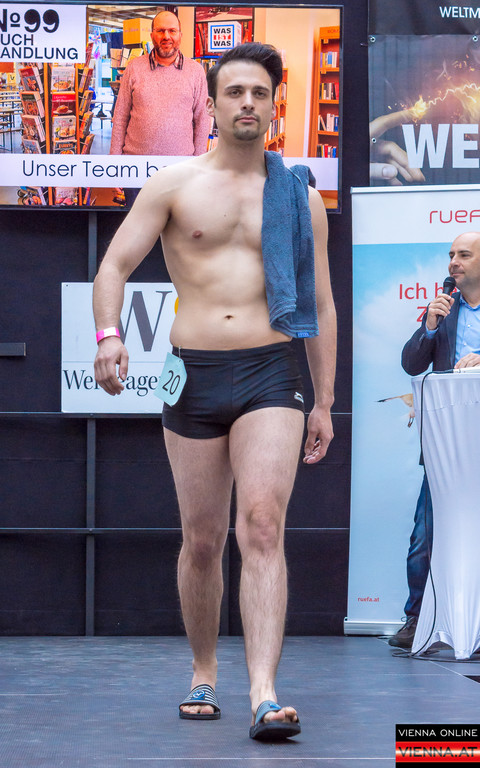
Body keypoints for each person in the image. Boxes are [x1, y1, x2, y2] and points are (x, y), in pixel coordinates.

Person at [93, 41, 336, 741]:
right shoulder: (174, 185)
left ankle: (264, 692)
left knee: (261, 525)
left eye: (260, 93)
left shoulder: (299, 197)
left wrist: (323, 399)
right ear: (214, 102)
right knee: (201, 541)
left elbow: (320, 304)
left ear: (274, 105)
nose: (247, 104)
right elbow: (113, 268)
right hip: (193, 373)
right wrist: (109, 335)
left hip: (271, 370)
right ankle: (204, 671)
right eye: (236, 92)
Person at [389, 231, 480, 649]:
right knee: (425, 536)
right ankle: (417, 620)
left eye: (464, 254)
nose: (453, 262)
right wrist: (429, 325)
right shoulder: (444, 310)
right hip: (448, 446)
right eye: (451, 254)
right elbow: (411, 364)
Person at [110, 10, 210, 206]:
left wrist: (199, 167)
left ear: (180, 35)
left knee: (176, 225)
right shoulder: (134, 68)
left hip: (181, 170)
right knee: (139, 225)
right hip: (136, 170)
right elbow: (120, 117)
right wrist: (114, 165)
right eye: (160, 31)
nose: (166, 36)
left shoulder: (196, 72)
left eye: (172, 31)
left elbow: (202, 120)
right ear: (152, 35)